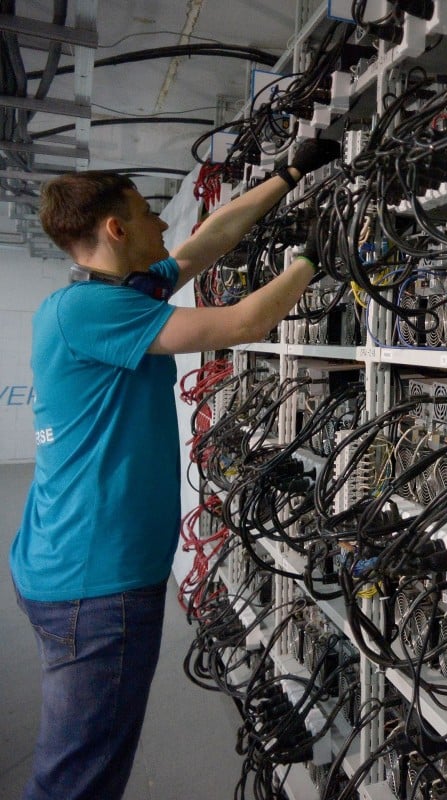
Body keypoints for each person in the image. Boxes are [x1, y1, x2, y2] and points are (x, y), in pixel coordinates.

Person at [9, 138, 339, 800]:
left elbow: (207, 242)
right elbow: (247, 321)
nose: (164, 225)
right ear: (114, 227)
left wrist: (288, 175)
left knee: (85, 763)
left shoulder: (107, 293)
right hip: (94, 584)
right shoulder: (95, 310)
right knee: (78, 777)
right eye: (149, 213)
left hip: (69, 564)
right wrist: (319, 254)